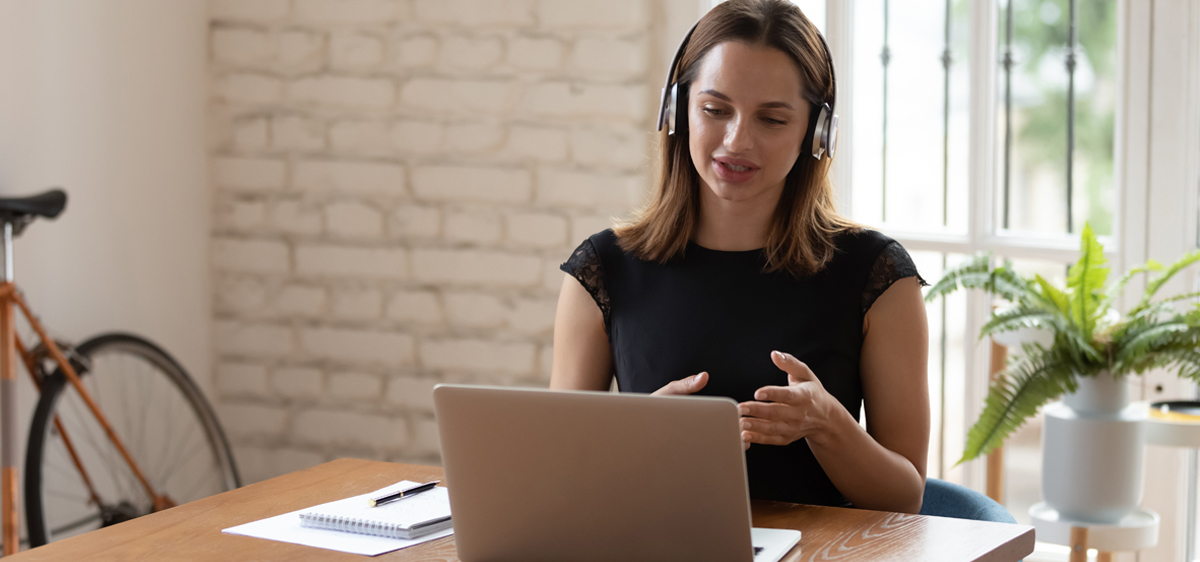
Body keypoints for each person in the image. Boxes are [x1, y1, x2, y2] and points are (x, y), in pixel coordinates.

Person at [550, 0, 930, 514]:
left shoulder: (878, 276)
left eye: (772, 119)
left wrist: (827, 423)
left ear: (817, 135)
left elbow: (905, 497)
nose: (737, 140)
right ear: (677, 111)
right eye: (714, 110)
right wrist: (632, 438)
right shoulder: (602, 269)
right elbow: (559, 479)